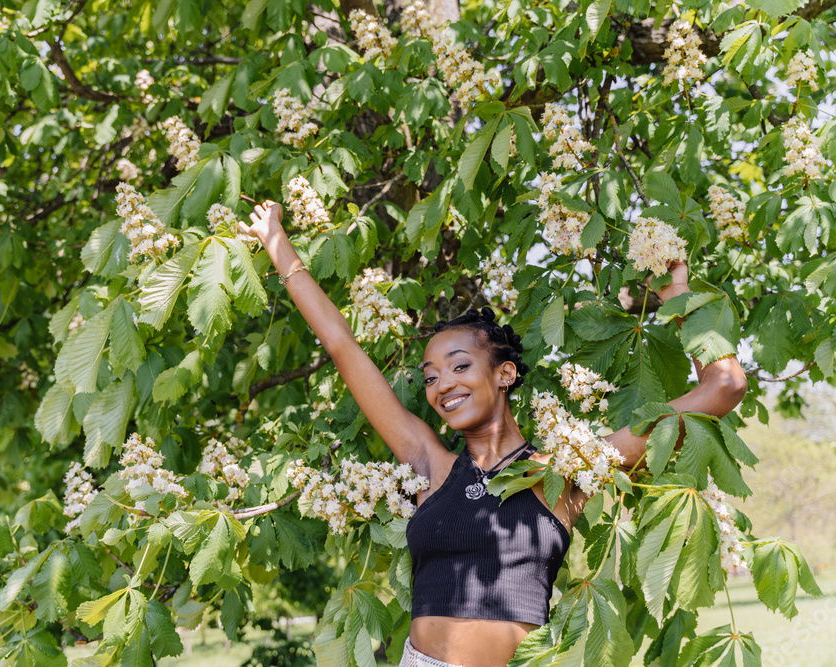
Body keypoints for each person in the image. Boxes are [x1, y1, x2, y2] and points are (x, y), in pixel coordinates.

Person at [238, 200, 748, 667]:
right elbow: (342, 345)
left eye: (459, 366)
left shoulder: (568, 468)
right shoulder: (429, 464)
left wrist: (677, 294)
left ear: (504, 374)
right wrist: (277, 242)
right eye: (430, 377)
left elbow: (724, 387)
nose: (442, 384)